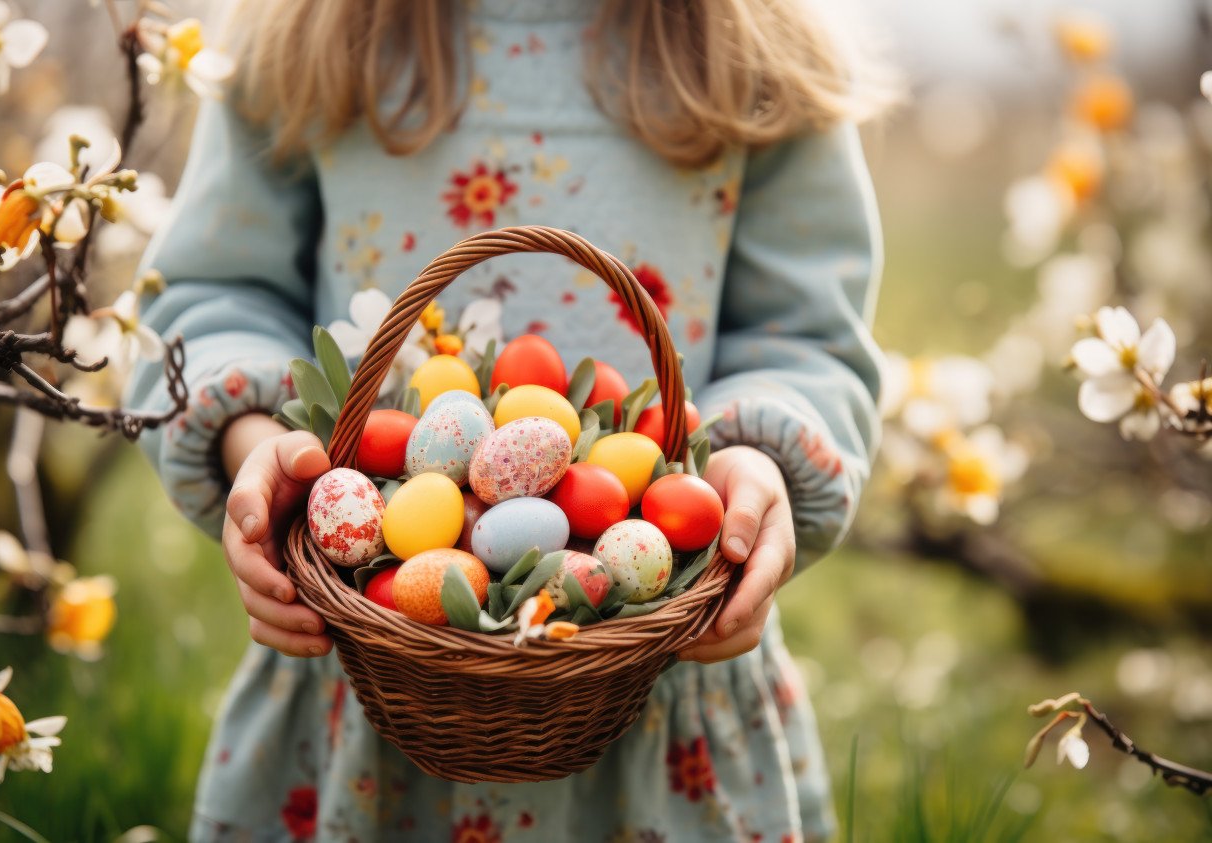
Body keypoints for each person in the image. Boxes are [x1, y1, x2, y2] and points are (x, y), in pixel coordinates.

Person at [128, 0, 889, 839]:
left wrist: (756, 462)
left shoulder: (752, 44)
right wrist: (264, 447)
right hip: (372, 655)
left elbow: (807, 334)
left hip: (659, 670)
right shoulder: (307, 29)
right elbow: (209, 293)